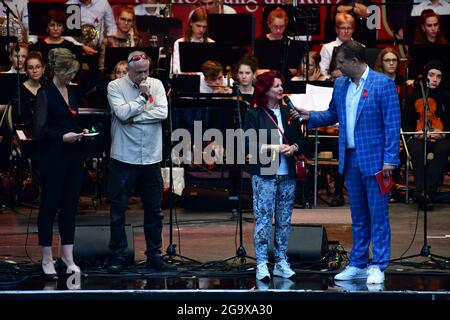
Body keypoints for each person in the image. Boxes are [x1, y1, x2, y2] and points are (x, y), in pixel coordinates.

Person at [294, 41, 401, 284]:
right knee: (359, 216)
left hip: (377, 161)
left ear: (355, 60)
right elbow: (333, 114)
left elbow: (393, 126)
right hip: (351, 158)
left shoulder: (383, 84)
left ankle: (379, 264)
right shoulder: (341, 85)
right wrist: (310, 116)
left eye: (341, 62)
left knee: (378, 216)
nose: (338, 67)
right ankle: (358, 263)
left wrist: (390, 160)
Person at [106, 51, 175, 273]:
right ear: (129, 70)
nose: (144, 76)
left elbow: (163, 112)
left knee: (154, 210)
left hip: (152, 158)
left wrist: (133, 118)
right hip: (124, 157)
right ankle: (118, 255)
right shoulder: (115, 86)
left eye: (146, 71)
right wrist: (143, 99)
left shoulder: (157, 84)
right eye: (139, 73)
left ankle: (154, 254)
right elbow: (120, 112)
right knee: (118, 209)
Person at [243, 70, 304, 281]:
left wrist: (294, 147)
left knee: (284, 220)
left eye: (281, 85)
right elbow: (247, 142)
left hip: (287, 172)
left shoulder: (289, 112)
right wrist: (275, 147)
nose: (280, 89)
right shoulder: (254, 114)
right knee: (263, 219)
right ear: (265, 90)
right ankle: (261, 263)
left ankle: (280, 261)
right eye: (276, 86)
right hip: (264, 172)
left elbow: (300, 138)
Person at [33, 48, 86, 279]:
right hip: (53, 156)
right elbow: (39, 130)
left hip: (73, 156)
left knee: (69, 206)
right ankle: (46, 256)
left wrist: (81, 131)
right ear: (58, 70)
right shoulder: (45, 93)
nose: (71, 77)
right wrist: (61, 137)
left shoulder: (71, 91)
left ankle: (68, 256)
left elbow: (72, 117)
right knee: (49, 206)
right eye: (68, 73)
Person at [403, 60, 450, 210]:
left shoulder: (446, 96)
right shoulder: (413, 97)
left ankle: (426, 192)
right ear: (425, 76)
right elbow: (406, 123)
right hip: (419, 135)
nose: (434, 79)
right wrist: (418, 134)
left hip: (441, 135)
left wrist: (442, 134)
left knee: (443, 149)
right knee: (417, 150)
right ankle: (421, 191)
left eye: (438, 76)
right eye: (431, 75)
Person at [171, 7, 214, 75]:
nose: (201, 30)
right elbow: (175, 69)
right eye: (198, 26)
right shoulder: (179, 43)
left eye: (204, 27)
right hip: (186, 81)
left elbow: (214, 70)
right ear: (191, 23)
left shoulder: (211, 43)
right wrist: (186, 73)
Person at [320, 13, 355, 78]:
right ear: (337, 30)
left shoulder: (361, 47)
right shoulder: (327, 48)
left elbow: (364, 73)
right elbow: (322, 72)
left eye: (349, 28)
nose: (346, 31)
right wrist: (331, 76)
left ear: (353, 30)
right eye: (343, 28)